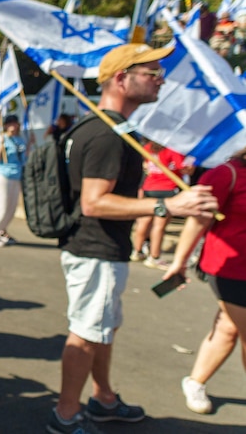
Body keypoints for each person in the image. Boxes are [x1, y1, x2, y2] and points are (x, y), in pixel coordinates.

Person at [47, 43, 219, 434]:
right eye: (152, 73)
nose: (161, 80)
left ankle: (103, 397)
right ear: (121, 79)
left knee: (102, 328)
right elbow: (94, 203)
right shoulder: (107, 133)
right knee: (87, 333)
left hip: (97, 249)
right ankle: (65, 414)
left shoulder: (105, 127)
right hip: (96, 249)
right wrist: (167, 207)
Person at [164, 148, 246, 415]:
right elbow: (198, 221)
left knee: (228, 328)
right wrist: (179, 261)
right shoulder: (226, 173)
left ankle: (195, 381)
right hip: (230, 269)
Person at [130, 142, 192, 269]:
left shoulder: (149, 147)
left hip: (149, 187)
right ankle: (154, 256)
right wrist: (191, 164)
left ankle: (137, 251)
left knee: (143, 222)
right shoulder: (173, 149)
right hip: (166, 189)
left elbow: (145, 164)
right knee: (159, 225)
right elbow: (183, 168)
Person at [0, 114, 26, 247]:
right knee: (1, 204)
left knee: (11, 206)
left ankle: (2, 230)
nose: (14, 126)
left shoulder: (20, 139)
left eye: (16, 123)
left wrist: (30, 143)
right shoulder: (1, 138)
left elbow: (24, 158)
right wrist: (1, 146)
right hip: (3, 174)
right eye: (11, 123)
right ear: (6, 125)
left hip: (16, 175)